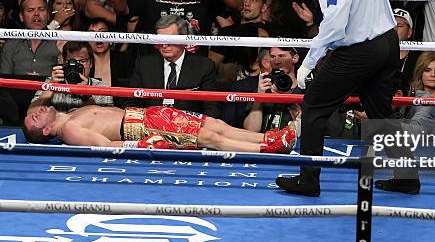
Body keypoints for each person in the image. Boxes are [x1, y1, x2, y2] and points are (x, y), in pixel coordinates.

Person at [275, 0, 399, 197]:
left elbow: (334, 24)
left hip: (360, 49)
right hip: (387, 41)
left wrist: (308, 61)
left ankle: (308, 179)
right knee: (380, 113)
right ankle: (407, 176)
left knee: (314, 106)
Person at [23, 104, 297, 154]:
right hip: (139, 128)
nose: (35, 112)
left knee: (215, 124)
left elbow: (41, 99)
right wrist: (142, 144)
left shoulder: (70, 112)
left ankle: (267, 136)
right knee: (209, 137)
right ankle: (265, 148)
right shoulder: (70, 130)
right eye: (33, 120)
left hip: (147, 115)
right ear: (46, 132)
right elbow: (105, 146)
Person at [28, 41, 113, 114]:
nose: (76, 66)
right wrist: (51, 86)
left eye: (82, 61)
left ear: (90, 63)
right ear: (64, 62)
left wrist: (86, 96)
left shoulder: (103, 88)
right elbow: (32, 114)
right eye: (72, 62)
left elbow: (104, 122)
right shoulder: (51, 82)